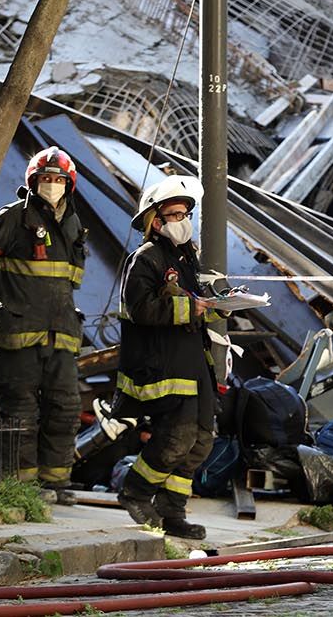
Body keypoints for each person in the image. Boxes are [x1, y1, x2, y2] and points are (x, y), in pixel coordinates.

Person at [0, 147, 86, 506]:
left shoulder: (73, 224)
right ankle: (20, 487)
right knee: (19, 413)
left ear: (69, 184)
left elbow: (72, 280)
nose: (52, 185)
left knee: (64, 408)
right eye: (46, 179)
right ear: (33, 182)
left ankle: (56, 483)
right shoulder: (13, 217)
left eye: (59, 180)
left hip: (60, 333)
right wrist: (13, 293)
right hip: (16, 335)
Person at [113, 175, 224, 540]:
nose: (182, 221)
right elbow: (139, 308)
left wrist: (219, 305)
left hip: (193, 363)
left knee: (202, 439)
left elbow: (194, 306)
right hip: (163, 365)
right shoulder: (145, 259)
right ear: (155, 220)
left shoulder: (185, 258)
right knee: (176, 437)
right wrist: (191, 306)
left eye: (185, 213)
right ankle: (136, 492)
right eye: (174, 214)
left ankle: (172, 510)